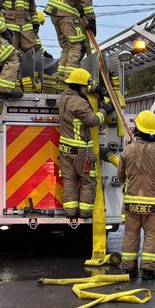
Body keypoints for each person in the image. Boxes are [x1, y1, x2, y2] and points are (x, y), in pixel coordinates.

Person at [118, 110, 155, 281]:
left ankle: (128, 269)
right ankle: (148, 271)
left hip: (131, 205)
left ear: (137, 128)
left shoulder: (127, 150)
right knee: (152, 236)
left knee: (130, 235)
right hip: (153, 205)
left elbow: (120, 176)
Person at [45, 0, 112, 82]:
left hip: (56, 12)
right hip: (66, 13)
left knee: (67, 47)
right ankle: (71, 79)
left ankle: (60, 77)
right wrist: (92, 20)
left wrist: (82, 16)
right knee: (78, 46)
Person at [57, 68, 101, 219]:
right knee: (88, 181)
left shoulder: (65, 97)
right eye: (85, 87)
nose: (87, 89)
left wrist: (95, 87)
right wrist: (105, 111)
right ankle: (85, 213)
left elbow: (82, 84)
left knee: (69, 180)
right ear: (79, 86)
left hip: (65, 149)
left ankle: (70, 212)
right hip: (81, 150)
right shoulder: (80, 103)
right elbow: (93, 121)